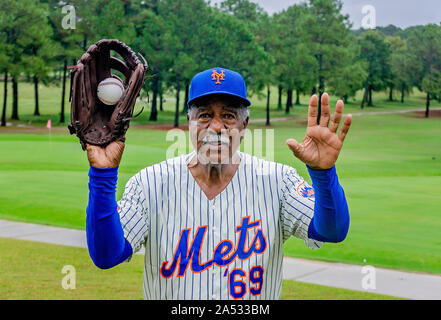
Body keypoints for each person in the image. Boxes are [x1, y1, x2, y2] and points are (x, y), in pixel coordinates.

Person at [85, 67, 352, 300]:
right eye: (204, 115)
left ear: (244, 125)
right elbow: (106, 256)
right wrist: (103, 177)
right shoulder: (149, 184)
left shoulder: (277, 181)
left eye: (228, 115)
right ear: (189, 122)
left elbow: (332, 230)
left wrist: (323, 172)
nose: (216, 126)